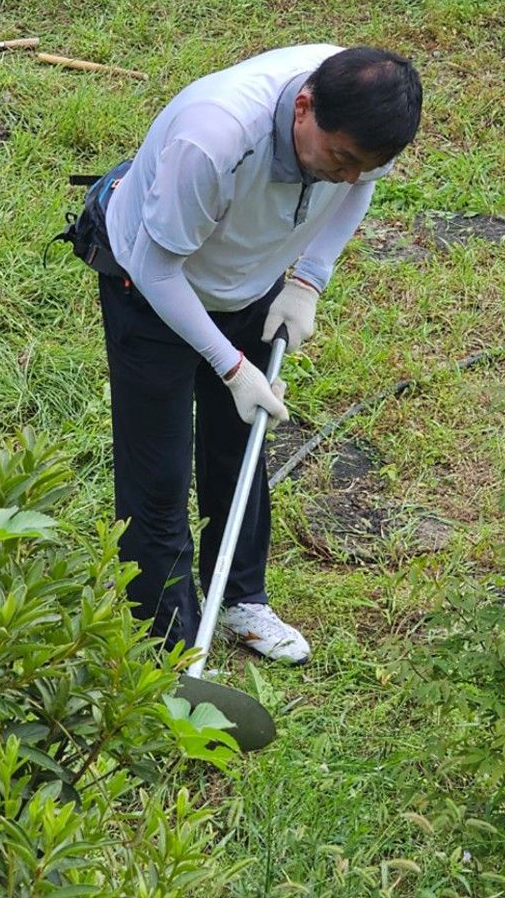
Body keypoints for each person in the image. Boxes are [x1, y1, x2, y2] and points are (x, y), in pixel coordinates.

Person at [98, 44, 422, 664]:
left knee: (239, 446)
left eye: (367, 165)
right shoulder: (213, 139)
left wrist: (307, 282)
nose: (351, 175)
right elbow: (158, 268)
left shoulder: (364, 119)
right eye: (343, 159)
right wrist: (230, 365)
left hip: (250, 279)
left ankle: (243, 599)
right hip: (152, 285)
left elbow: (359, 188)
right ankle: (170, 652)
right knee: (158, 478)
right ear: (302, 108)